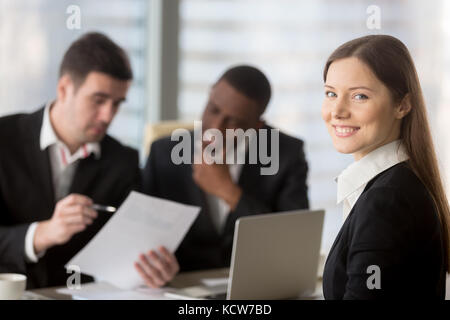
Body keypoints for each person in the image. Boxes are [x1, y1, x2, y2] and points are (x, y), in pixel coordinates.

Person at [0, 32, 178, 289]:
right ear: (64, 89)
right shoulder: (5, 140)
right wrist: (42, 233)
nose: (108, 115)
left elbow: (129, 248)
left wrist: (154, 269)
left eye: (117, 104)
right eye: (98, 100)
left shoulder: (123, 160)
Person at [142, 65, 309, 272]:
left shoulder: (286, 154)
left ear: (257, 126)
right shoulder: (163, 153)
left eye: (233, 122)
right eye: (213, 110)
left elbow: (292, 243)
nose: (216, 127)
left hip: (255, 283)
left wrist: (228, 192)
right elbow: (143, 234)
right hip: (179, 286)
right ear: (210, 94)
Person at [321, 34, 449, 299]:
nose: (337, 111)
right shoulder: (397, 183)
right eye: (331, 93)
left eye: (359, 96)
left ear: (402, 104)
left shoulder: (386, 200)